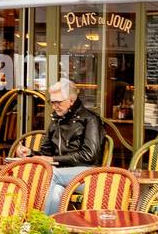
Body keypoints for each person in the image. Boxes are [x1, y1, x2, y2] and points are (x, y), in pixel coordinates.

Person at [14, 78, 104, 214]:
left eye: (58, 102)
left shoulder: (90, 119)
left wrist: (54, 160)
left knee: (50, 174)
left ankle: (32, 223)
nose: (55, 106)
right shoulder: (56, 120)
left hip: (88, 175)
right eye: (52, 102)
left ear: (71, 101)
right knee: (55, 190)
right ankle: (48, 233)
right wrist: (30, 153)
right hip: (61, 174)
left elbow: (89, 155)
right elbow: (47, 154)